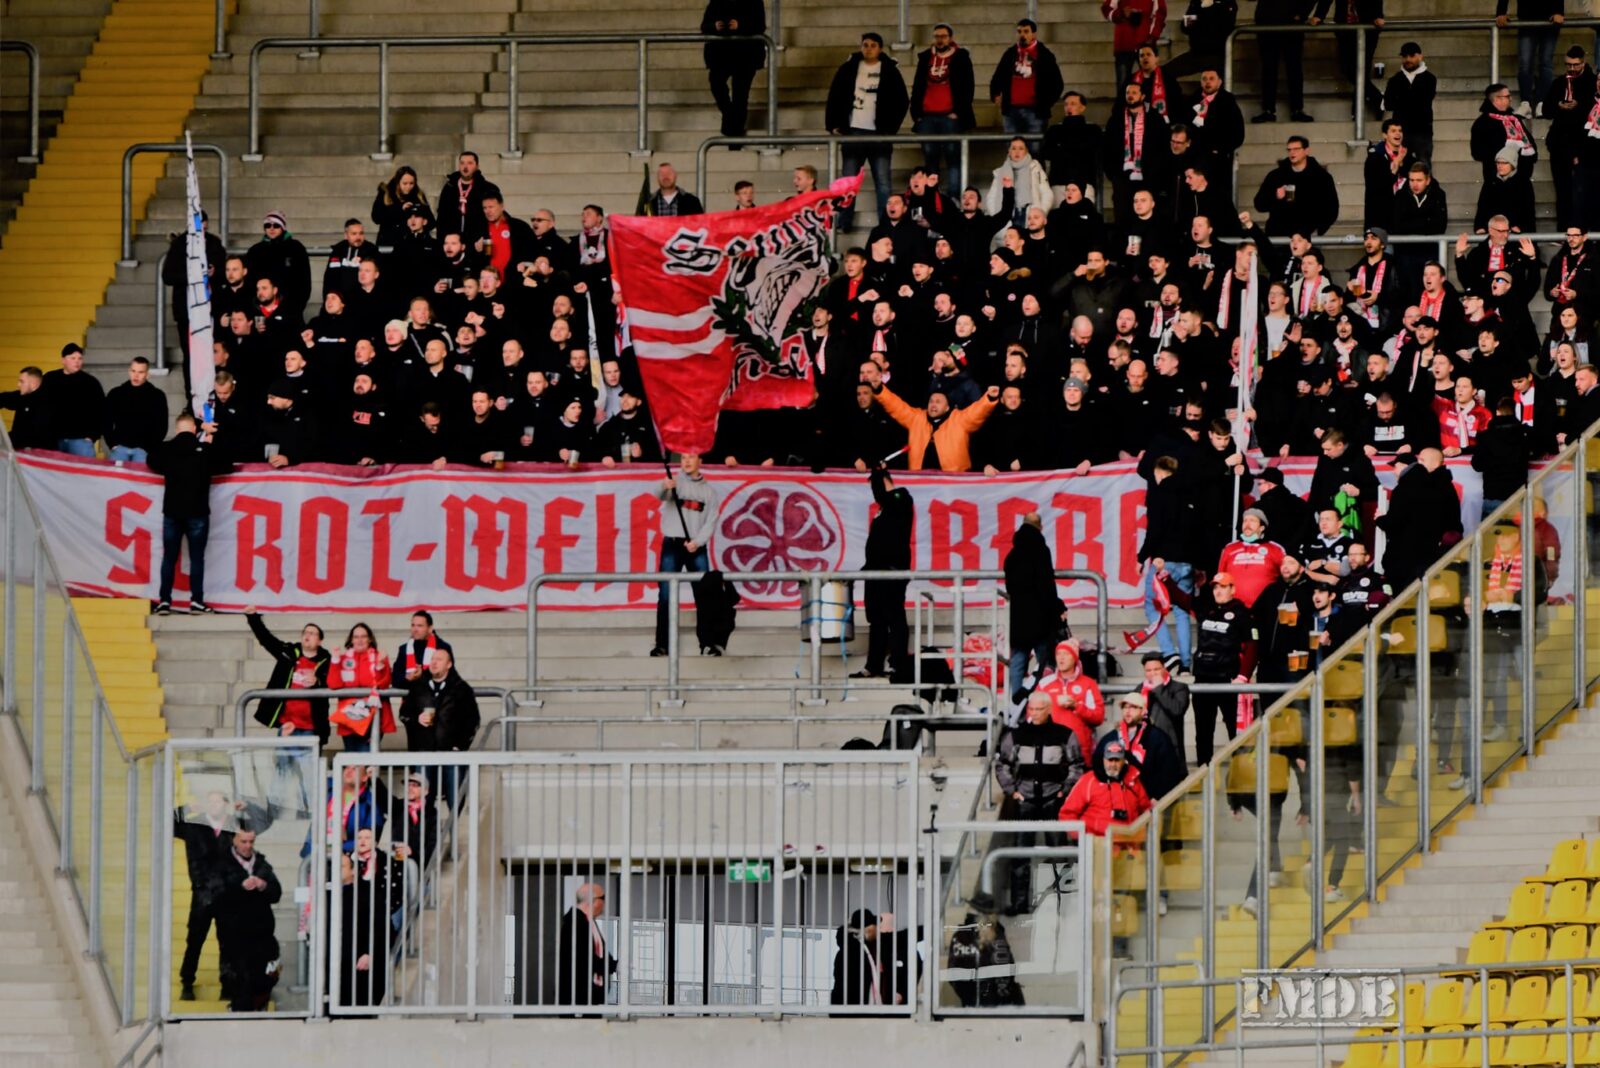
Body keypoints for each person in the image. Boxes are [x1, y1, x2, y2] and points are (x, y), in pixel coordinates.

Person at [173, 791, 271, 1001]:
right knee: (195, 940)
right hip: (203, 893)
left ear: (226, 804)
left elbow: (264, 822)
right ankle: (187, 981)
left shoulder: (235, 826)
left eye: (219, 800)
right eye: (211, 800)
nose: (215, 805)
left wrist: (248, 806)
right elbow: (167, 822)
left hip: (229, 893)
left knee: (227, 941)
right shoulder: (195, 826)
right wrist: (189, 807)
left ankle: (227, 986)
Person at [995, 692, 1084, 914]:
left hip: (1054, 799)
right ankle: (1019, 903)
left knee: (1058, 851)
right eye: (1031, 709)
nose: (1033, 714)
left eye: (1038, 709)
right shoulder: (1016, 735)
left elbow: (1077, 765)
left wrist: (1065, 791)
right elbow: (1002, 764)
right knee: (1020, 852)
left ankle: (1063, 903)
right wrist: (1012, 791)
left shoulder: (1064, 734)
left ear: (1048, 709)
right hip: (1024, 799)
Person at [1165, 571, 1257, 765]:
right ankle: (1203, 772)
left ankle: (1240, 771)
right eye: (1215, 587)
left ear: (1233, 589)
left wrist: (1243, 676)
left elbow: (1252, 645)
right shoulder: (1206, 607)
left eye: (1223, 587)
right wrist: (1166, 579)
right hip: (1203, 679)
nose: (1218, 591)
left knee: (1236, 730)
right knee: (1203, 731)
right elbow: (1182, 599)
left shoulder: (1242, 613)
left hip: (1228, 680)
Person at [826, 33, 909, 233]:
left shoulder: (889, 70)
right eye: (865, 45)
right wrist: (833, 124)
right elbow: (835, 95)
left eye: (873, 45)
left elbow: (902, 100)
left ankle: (886, 224)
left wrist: (890, 129)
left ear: (880, 48)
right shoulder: (848, 68)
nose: (869, 48)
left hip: (879, 134)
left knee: (883, 182)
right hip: (853, 131)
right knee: (848, 182)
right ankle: (844, 222)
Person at [148, 412, 229, 615]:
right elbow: (227, 464)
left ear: (177, 429)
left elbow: (152, 461)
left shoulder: (167, 449)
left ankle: (165, 600)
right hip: (198, 512)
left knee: (169, 558)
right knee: (197, 558)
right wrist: (211, 443)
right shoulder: (203, 451)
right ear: (195, 429)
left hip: (172, 512)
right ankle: (196, 601)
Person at [651, 453, 721, 657]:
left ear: (700, 462)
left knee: (704, 595)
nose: (687, 461)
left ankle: (707, 643)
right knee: (665, 596)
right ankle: (662, 644)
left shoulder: (709, 492)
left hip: (696, 546)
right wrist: (665, 486)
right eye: (683, 458)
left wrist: (698, 542)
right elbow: (658, 493)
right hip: (672, 543)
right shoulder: (675, 484)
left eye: (691, 457)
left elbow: (711, 520)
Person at [398, 647, 479, 814]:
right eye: (432, 659)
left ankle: (454, 835)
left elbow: (473, 720)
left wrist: (460, 746)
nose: (434, 663)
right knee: (422, 800)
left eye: (439, 659)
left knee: (455, 799)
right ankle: (424, 837)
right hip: (423, 751)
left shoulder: (461, 688)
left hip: (451, 753)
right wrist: (417, 719)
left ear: (449, 664)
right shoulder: (418, 686)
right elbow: (404, 714)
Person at [1138, 455, 1197, 672]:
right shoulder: (1190, 494)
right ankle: (1185, 663)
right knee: (1182, 612)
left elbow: (1154, 530)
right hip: (1187, 561)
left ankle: (1169, 653)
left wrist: (1142, 556)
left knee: (1153, 607)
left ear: (1160, 472)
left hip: (1164, 560)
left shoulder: (1159, 494)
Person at [854, 465, 913, 680]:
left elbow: (883, 496)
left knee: (894, 616)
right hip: (875, 570)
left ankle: (898, 664)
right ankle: (873, 665)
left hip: (892, 569)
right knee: (876, 618)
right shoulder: (883, 509)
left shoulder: (901, 497)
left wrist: (878, 473)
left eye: (875, 485)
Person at [215, 828, 282, 1013]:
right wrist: (239, 886)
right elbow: (216, 894)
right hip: (236, 933)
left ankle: (256, 1004)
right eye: (243, 842)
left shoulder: (262, 864)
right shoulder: (223, 864)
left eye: (251, 842)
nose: (248, 846)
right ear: (234, 841)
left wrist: (263, 885)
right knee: (240, 978)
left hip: (262, 933)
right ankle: (240, 1012)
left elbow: (276, 893)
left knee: (267, 974)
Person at [338, 827, 405, 1010]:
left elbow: (396, 893)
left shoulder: (386, 862)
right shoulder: (346, 860)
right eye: (359, 837)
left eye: (367, 837)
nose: (363, 841)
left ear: (375, 842)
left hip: (379, 918)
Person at [1003, 513, 1065, 704]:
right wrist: (1057, 608)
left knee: (1018, 660)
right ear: (1040, 527)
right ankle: (1045, 700)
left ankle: (1016, 702)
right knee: (1045, 662)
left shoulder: (1012, 555)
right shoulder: (1041, 550)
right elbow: (1047, 585)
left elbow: (1010, 588)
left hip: (1018, 617)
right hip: (1040, 617)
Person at [1377, 446, 1462, 586]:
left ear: (1435, 464)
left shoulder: (1409, 488)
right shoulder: (1446, 487)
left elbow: (1395, 522)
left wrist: (1381, 519)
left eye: (1422, 460)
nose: (1418, 464)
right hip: (1433, 556)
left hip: (1410, 559)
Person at [244, 610, 331, 745]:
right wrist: (253, 618)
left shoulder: (327, 661)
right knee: (284, 765)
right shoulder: (288, 653)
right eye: (305, 632)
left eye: (312, 633)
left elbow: (333, 683)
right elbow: (266, 639)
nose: (307, 635)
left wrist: (318, 681)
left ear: (320, 641)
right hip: (287, 725)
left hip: (312, 727)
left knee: (309, 766)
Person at [871, 382, 1000, 471]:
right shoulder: (916, 418)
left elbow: (977, 412)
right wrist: (880, 391)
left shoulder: (959, 420)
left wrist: (989, 398)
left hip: (953, 481)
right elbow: (897, 407)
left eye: (938, 402)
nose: (933, 405)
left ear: (947, 408)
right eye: (931, 401)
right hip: (919, 481)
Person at [910, 24, 975, 195]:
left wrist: (959, 112)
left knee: (953, 159)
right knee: (930, 159)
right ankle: (933, 199)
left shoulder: (960, 57)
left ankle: (953, 199)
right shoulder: (925, 58)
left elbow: (968, 87)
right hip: (927, 117)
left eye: (944, 36)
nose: (940, 40)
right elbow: (917, 86)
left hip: (950, 117)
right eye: (937, 36)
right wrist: (917, 114)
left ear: (950, 38)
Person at [1057, 737, 1152, 836]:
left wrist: (1141, 839)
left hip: (1129, 846)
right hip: (1096, 846)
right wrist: (1083, 841)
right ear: (1103, 760)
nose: (1113, 764)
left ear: (1124, 761)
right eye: (1110, 760)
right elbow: (1067, 813)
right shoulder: (1089, 780)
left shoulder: (1133, 780)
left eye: (1117, 760)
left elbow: (1147, 813)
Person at [326, 622, 397, 754]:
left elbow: (384, 684)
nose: (359, 640)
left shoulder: (379, 657)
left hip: (372, 719)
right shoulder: (342, 659)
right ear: (351, 640)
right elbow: (333, 684)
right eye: (356, 637)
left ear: (369, 639)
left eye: (363, 636)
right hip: (349, 719)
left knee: (366, 758)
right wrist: (335, 661)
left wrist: (380, 665)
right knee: (352, 760)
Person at [701, 0, 766, 138]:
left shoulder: (754, 2)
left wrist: (741, 25)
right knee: (716, 83)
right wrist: (715, 26)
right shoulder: (716, 2)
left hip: (746, 55)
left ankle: (733, 135)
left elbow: (760, 25)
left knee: (740, 95)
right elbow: (705, 26)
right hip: (721, 54)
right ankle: (731, 120)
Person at [989, 19, 1064, 138]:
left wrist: (1046, 103)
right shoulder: (1009, 54)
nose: (1022, 35)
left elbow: (1057, 83)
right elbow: (998, 76)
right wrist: (995, 94)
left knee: (1035, 147)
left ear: (1033, 34)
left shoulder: (1045, 55)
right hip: (1011, 110)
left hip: (1035, 111)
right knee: (1013, 147)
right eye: (1019, 31)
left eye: (1026, 31)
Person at [1252, 136, 1340, 237]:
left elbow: (1332, 209)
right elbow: (1259, 204)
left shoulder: (1321, 177)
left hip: (1308, 235)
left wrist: (1317, 230)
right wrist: (1275, 196)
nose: (1292, 153)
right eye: (1289, 150)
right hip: (1279, 234)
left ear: (1306, 151)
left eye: (1296, 149)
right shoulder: (1276, 175)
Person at [1309, 0, 1384, 116]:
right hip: (1345, 28)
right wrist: (1319, 15)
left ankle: (1357, 110)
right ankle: (1377, 97)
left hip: (1368, 26)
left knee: (1362, 69)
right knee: (1347, 68)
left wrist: (1378, 15)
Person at [1036, 637, 1105, 759]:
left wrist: (1077, 706)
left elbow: (1098, 717)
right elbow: (1032, 715)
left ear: (1074, 658)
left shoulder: (1088, 684)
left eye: (1066, 654)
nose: (1061, 658)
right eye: (1058, 654)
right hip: (1050, 750)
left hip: (1079, 751)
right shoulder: (1044, 684)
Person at [1250, 0, 1313, 125]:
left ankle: (1296, 109)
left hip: (1292, 21)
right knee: (1269, 67)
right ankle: (1268, 110)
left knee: (1294, 66)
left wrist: (1302, 13)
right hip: (1267, 21)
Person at [1497, 0, 1563, 115]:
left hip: (1550, 20)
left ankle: (1542, 103)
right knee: (1525, 63)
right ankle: (1525, 103)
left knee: (1545, 63)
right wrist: (1501, 12)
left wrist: (1559, 12)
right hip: (1527, 19)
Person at [557, 883, 615, 1008]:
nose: (604, 903)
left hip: (587, 995)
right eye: (603, 898)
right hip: (577, 996)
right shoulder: (574, 923)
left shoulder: (588, 922)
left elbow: (599, 953)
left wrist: (613, 964)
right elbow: (584, 959)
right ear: (593, 901)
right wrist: (613, 965)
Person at [41, 344, 106, 457]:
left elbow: (101, 411)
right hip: (53, 440)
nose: (77, 362)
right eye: (73, 358)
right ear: (63, 360)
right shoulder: (49, 379)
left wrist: (92, 436)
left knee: (85, 473)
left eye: (80, 358)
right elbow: (39, 405)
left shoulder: (91, 383)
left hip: (81, 441)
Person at [244, 212, 311, 319]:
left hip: (291, 311)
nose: (271, 228)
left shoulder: (296, 248)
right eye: (267, 225)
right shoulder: (255, 251)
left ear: (283, 227)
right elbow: (249, 283)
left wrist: (296, 308)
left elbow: (304, 282)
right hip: (261, 312)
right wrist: (255, 308)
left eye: (276, 225)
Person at [1471, 83, 1538, 186]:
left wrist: (1528, 159)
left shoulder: (1514, 119)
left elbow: (1530, 142)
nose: (1511, 99)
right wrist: (1504, 159)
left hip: (1521, 181)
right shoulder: (1482, 123)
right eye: (1507, 96)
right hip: (1497, 182)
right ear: (1497, 99)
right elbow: (1477, 152)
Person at [104, 357, 168, 464]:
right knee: (116, 481)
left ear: (147, 374)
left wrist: (149, 447)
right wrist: (112, 444)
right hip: (119, 448)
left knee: (140, 480)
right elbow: (106, 421)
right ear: (129, 371)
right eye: (133, 371)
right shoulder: (116, 394)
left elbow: (161, 426)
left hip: (143, 451)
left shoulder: (157, 396)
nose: (136, 375)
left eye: (140, 372)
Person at [1382, 41, 1436, 164]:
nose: (1408, 59)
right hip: (1401, 131)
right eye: (1405, 56)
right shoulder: (1395, 80)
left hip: (1422, 131)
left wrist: (1401, 100)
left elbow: (1423, 102)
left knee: (1423, 165)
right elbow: (1388, 104)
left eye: (1412, 56)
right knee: (1400, 166)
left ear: (1420, 56)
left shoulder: (1429, 78)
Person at [436, 152, 499, 247]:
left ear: (477, 166)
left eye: (470, 163)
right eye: (462, 163)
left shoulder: (487, 188)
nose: (465, 167)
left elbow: (493, 217)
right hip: (453, 245)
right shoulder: (449, 187)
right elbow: (442, 217)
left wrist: (485, 237)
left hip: (477, 244)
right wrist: (442, 241)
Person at [1101, 0, 1166, 90]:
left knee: (1150, 83)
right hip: (1124, 43)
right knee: (1123, 85)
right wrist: (1121, 13)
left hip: (1146, 43)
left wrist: (1152, 37)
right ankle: (1123, 103)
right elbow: (1106, 9)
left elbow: (1160, 13)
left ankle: (1149, 103)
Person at [830, 909, 885, 1006]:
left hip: (851, 1008)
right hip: (851, 1011)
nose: (878, 929)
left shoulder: (859, 948)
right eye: (875, 926)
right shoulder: (854, 951)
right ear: (867, 928)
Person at [397, 610, 455, 683]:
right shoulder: (404, 649)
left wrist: (422, 675)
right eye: (413, 625)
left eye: (420, 626)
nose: (415, 629)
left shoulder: (442, 648)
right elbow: (395, 677)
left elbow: (450, 676)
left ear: (430, 628)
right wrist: (407, 677)